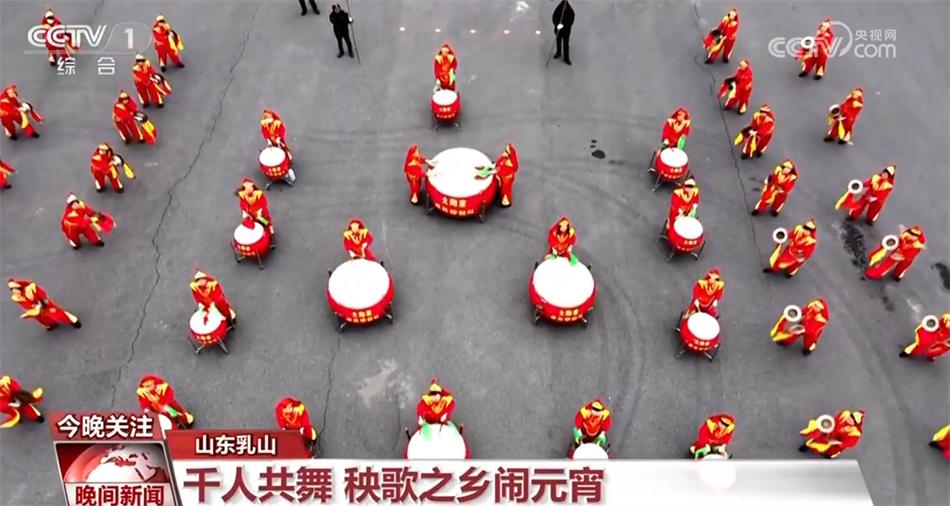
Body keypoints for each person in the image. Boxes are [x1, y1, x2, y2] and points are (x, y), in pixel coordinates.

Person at [8, 278, 81, 330]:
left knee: (57, 313)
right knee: (42, 319)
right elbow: (24, 304)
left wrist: (43, 300)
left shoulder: (32, 288)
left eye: (14, 289)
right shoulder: (17, 297)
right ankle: (51, 324)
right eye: (12, 290)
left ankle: (73, 321)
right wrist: (34, 308)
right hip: (35, 308)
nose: (14, 292)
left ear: (19, 287)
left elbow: (41, 294)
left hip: (44, 304)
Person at [799, 409, 864, 459]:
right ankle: (808, 446)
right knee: (818, 439)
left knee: (832, 451)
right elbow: (835, 420)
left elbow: (850, 443)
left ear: (855, 424)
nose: (848, 419)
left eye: (851, 420)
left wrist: (836, 442)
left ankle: (829, 455)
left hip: (838, 441)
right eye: (850, 416)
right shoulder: (845, 414)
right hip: (831, 432)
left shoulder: (855, 433)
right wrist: (828, 426)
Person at [236, 178, 275, 243]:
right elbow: (243, 204)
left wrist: (259, 211)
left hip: (260, 210)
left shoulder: (258, 194)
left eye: (250, 188)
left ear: (252, 187)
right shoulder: (243, 195)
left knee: (265, 221)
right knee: (247, 220)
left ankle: (271, 232)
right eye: (247, 188)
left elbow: (263, 203)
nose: (248, 190)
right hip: (250, 211)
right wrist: (245, 211)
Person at [494, 143, 519, 207]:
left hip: (506, 179)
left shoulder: (510, 162)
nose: (505, 152)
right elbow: (499, 161)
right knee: (502, 189)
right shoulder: (505, 158)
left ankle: (506, 203)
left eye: (506, 151)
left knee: (505, 191)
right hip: (502, 177)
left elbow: (509, 170)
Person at [552, 0, 575, 65]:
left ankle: (566, 58)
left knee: (566, 44)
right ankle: (558, 52)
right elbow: (554, 17)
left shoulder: (570, 10)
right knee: (558, 41)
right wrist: (557, 24)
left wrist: (565, 25)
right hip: (559, 30)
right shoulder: (559, 8)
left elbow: (572, 19)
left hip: (566, 31)